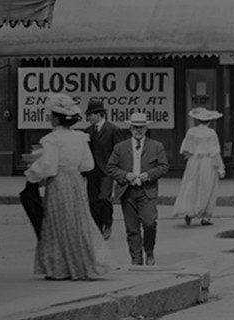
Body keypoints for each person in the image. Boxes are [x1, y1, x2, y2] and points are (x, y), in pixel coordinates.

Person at [25, 94, 108, 280]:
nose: (49, 118)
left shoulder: (51, 139)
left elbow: (48, 166)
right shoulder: (80, 137)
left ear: (56, 117)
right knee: (78, 223)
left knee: (57, 223)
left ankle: (60, 267)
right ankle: (82, 263)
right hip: (76, 182)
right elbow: (88, 165)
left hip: (59, 183)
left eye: (51, 115)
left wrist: (31, 171)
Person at [105, 113, 168, 266]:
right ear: (130, 128)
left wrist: (148, 175)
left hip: (147, 191)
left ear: (146, 128)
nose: (138, 130)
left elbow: (164, 166)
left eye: (141, 127)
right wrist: (125, 175)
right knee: (132, 228)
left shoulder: (156, 146)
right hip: (127, 191)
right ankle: (136, 259)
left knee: (149, 223)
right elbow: (110, 167)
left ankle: (149, 250)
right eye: (135, 127)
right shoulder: (120, 147)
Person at [174, 108, 225, 226]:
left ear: (197, 121)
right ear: (209, 121)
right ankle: (206, 216)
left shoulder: (191, 132)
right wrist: (221, 168)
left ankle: (188, 211)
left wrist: (193, 156)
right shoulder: (211, 133)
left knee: (191, 185)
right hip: (208, 161)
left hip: (194, 161)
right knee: (208, 187)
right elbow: (215, 152)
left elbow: (185, 150)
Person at [80, 101, 121, 238]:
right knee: (93, 201)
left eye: (90, 115)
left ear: (99, 114)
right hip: (92, 171)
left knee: (104, 198)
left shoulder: (113, 129)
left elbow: (118, 151)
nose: (89, 118)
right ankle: (97, 228)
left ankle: (107, 224)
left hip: (107, 171)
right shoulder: (88, 131)